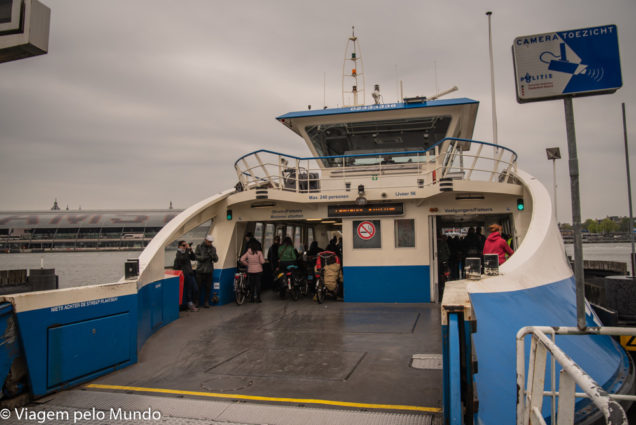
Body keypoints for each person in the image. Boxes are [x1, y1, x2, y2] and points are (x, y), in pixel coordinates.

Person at [173, 240, 198, 311]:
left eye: (185, 245)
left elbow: (194, 258)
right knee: (188, 291)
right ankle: (190, 304)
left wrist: (191, 250)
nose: (185, 247)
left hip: (190, 273)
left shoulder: (186, 252)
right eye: (183, 245)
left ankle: (192, 303)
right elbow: (182, 259)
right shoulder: (178, 254)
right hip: (184, 275)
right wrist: (187, 250)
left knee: (195, 289)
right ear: (179, 246)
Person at [195, 235, 218, 308]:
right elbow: (196, 256)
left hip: (209, 270)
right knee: (198, 287)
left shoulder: (213, 249)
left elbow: (216, 260)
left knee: (208, 287)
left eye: (211, 242)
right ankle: (197, 302)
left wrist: (213, 255)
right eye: (209, 242)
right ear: (205, 240)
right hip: (200, 270)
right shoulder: (199, 247)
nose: (210, 243)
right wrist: (202, 258)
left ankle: (206, 302)